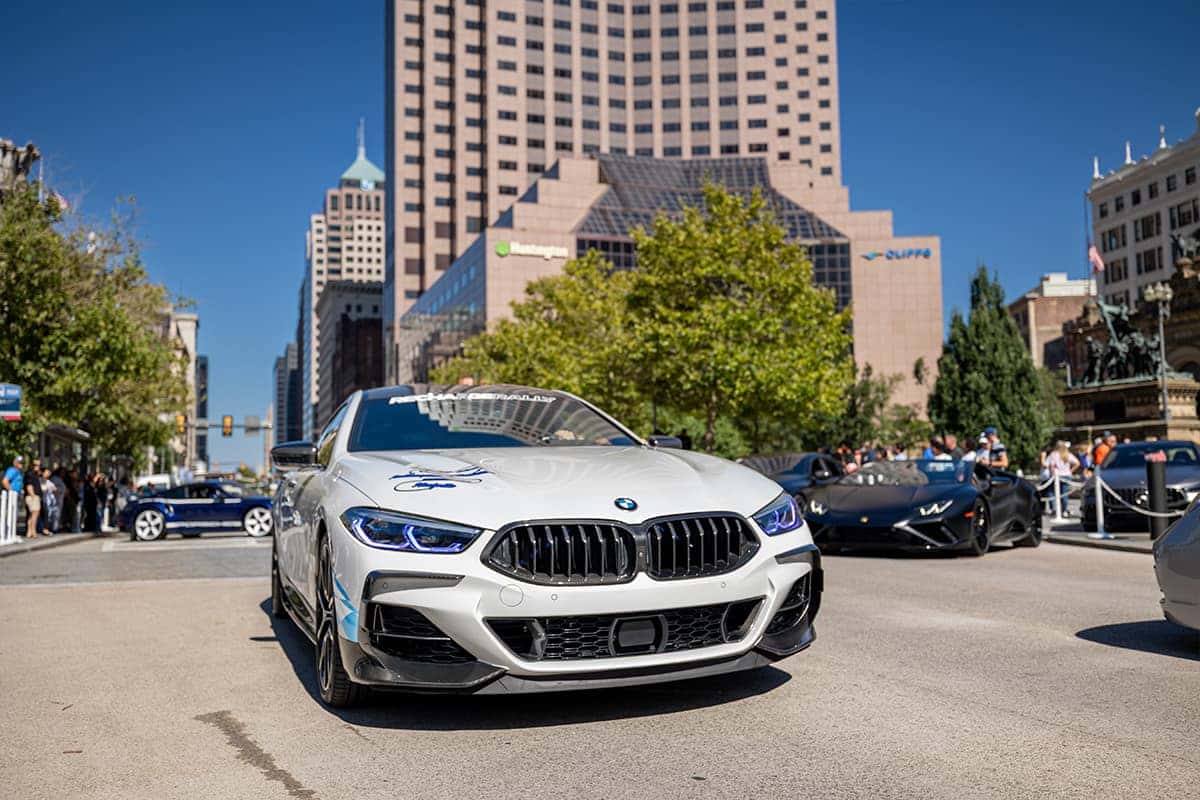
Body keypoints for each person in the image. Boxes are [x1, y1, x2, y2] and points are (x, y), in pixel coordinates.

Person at [1045, 441, 1080, 516]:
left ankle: (1053, 509)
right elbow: (1077, 463)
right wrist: (1070, 471)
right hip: (1066, 475)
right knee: (1064, 494)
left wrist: (1051, 474)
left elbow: (1051, 466)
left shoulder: (1053, 454)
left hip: (1056, 476)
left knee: (1051, 492)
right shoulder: (1067, 454)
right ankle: (1064, 510)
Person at [40, 467, 57, 535]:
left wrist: (50, 489)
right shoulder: (40, 480)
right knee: (44, 515)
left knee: (47, 515)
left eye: (49, 473)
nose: (48, 474)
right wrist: (48, 488)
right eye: (47, 472)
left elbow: (55, 488)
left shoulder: (48, 481)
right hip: (42, 500)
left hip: (47, 501)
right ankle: (44, 529)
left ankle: (45, 529)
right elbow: (42, 488)